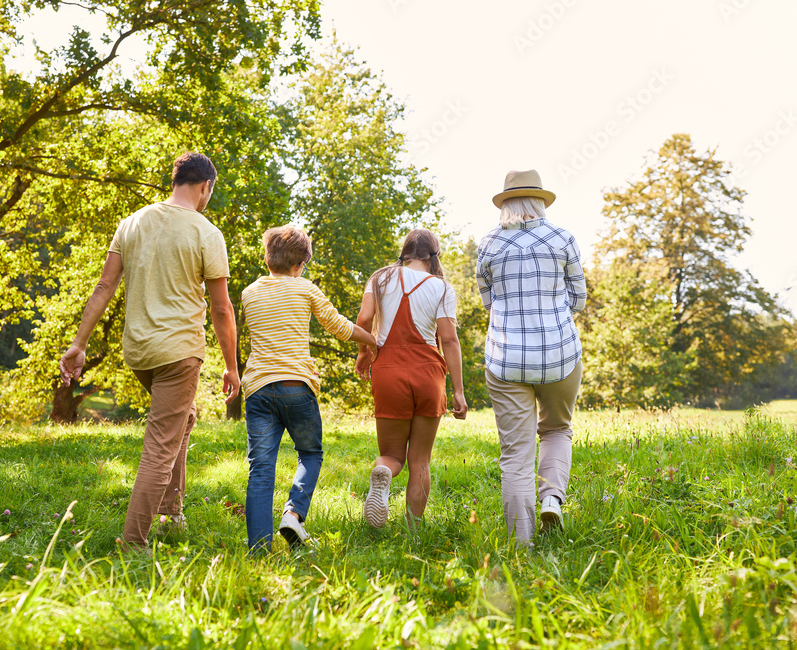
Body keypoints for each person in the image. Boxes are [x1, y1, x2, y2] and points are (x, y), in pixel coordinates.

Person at [59, 152, 240, 552]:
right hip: (178, 353)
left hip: (139, 351)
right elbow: (222, 307)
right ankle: (134, 542)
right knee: (161, 443)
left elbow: (104, 286)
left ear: (175, 180)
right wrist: (232, 367)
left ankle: (172, 515)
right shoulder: (206, 232)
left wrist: (79, 343)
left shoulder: (133, 222)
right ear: (206, 186)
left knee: (183, 418)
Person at [240, 225, 377, 551]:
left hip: (258, 389)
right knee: (310, 453)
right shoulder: (305, 289)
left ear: (265, 257)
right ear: (301, 264)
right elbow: (339, 326)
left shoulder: (249, 292)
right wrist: (371, 340)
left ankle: (259, 549)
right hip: (296, 387)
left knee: (260, 469)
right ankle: (294, 512)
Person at [476, 169, 586, 547]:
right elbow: (579, 299)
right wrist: (551, 313)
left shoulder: (488, 243)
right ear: (540, 202)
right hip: (560, 353)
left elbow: (488, 302)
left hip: (506, 359)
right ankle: (552, 498)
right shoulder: (563, 238)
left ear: (505, 204)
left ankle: (520, 543)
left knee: (515, 453)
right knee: (556, 429)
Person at [354, 229, 468, 528]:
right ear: (433, 256)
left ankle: (383, 472)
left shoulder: (380, 278)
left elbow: (364, 321)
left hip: (388, 371)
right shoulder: (442, 288)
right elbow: (450, 341)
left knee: (391, 455)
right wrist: (458, 391)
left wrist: (365, 352)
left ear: (404, 252)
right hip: (428, 374)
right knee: (420, 461)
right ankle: (413, 531)